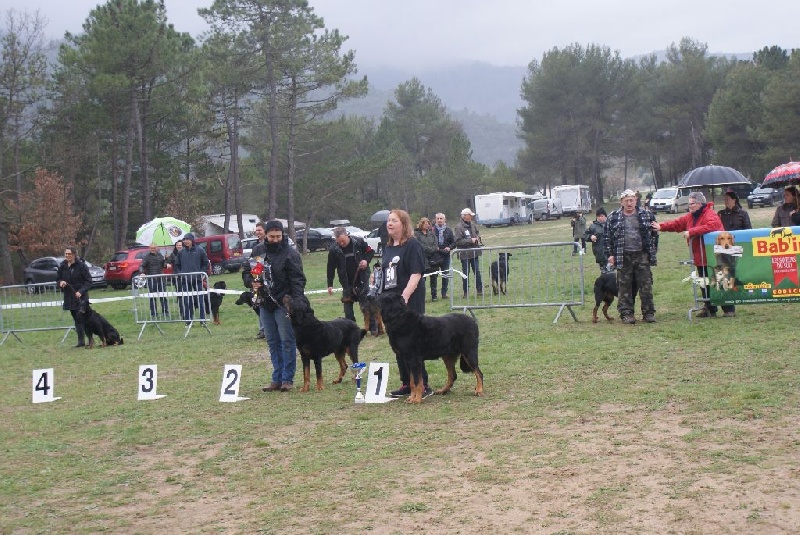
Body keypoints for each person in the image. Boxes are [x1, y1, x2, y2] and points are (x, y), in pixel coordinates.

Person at [243, 220, 306, 393]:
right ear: (266, 235)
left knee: (287, 340)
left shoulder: (290, 253)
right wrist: (251, 282)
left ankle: (287, 378)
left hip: (283, 302)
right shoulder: (258, 251)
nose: (276, 239)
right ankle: (276, 378)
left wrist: (297, 301)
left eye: (278, 236)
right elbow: (248, 272)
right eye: (272, 236)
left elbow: (298, 279)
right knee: (272, 340)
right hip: (264, 301)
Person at [380, 209, 432, 399]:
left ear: (403, 224)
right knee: (398, 344)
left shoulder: (412, 245)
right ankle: (406, 383)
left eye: (394, 220)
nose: (389, 223)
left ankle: (422, 384)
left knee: (413, 344)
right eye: (388, 221)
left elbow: (416, 274)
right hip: (390, 306)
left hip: (408, 301)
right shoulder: (388, 247)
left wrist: (404, 297)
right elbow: (385, 272)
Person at [653, 191, 724, 318]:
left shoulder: (710, 214)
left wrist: (691, 232)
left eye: (692, 203)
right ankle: (709, 308)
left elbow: (712, 226)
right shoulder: (690, 216)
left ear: (700, 203)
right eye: (689, 203)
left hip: (713, 256)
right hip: (700, 257)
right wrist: (661, 226)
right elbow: (677, 224)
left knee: (719, 281)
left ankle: (728, 308)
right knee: (703, 282)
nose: (689, 206)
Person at [604, 189, 659, 324]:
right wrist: (610, 255)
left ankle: (648, 313)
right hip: (623, 255)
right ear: (621, 202)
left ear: (636, 200)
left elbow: (654, 234)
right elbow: (606, 238)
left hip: (642, 255)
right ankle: (626, 313)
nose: (630, 203)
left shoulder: (646, 215)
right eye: (627, 200)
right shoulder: (613, 217)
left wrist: (652, 251)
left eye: (632, 200)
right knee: (624, 286)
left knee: (646, 285)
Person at [716, 189, 752, 317]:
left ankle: (738, 282)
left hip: (737, 246)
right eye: (724, 199)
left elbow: (748, 230)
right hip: (723, 247)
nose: (725, 201)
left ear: (734, 200)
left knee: (736, 267)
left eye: (727, 199)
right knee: (725, 269)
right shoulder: (720, 214)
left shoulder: (742, 213)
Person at [327, 226, 374, 321]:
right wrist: (330, 284)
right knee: (347, 310)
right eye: (339, 242)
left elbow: (371, 251)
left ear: (347, 235)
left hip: (361, 279)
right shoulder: (333, 250)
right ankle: (351, 329)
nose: (341, 243)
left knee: (366, 306)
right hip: (346, 283)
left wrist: (366, 261)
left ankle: (372, 328)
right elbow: (330, 267)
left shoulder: (359, 242)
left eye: (343, 241)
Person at [56, 246, 92, 348]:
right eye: (66, 254)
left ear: (74, 254)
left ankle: (90, 339)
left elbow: (89, 281)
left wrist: (81, 291)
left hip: (81, 298)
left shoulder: (81, 266)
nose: (67, 255)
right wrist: (60, 282)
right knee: (76, 319)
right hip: (69, 296)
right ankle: (81, 341)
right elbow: (58, 279)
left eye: (69, 254)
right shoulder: (62, 266)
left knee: (84, 319)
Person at [173, 233, 209, 323]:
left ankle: (202, 320)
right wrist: (180, 273)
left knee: (200, 301)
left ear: (192, 240)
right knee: (187, 301)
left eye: (187, 239)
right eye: (184, 239)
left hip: (197, 280)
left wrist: (201, 273)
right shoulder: (181, 252)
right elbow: (176, 265)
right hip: (185, 280)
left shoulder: (200, 250)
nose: (186, 241)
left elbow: (205, 263)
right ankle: (188, 320)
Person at [454, 207, 483, 297]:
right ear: (465, 216)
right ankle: (466, 292)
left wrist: (478, 238)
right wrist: (471, 240)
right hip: (465, 254)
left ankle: (480, 290)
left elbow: (477, 233)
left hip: (474, 253)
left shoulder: (473, 225)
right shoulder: (459, 227)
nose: (471, 216)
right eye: (470, 215)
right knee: (465, 273)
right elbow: (458, 241)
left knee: (477, 272)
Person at [140, 242, 168, 319]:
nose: (153, 249)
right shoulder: (147, 257)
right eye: (151, 248)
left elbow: (164, 265)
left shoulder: (160, 255)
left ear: (157, 248)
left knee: (163, 296)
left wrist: (166, 260)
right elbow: (142, 265)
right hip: (151, 279)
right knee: (152, 297)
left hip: (161, 279)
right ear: (150, 248)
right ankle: (153, 313)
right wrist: (142, 272)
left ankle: (165, 312)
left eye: (154, 248)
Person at [414, 217, 439, 302]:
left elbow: (436, 243)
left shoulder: (432, 233)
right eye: (425, 223)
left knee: (434, 278)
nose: (427, 225)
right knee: (422, 280)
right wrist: (430, 249)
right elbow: (420, 245)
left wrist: (434, 249)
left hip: (432, 259)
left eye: (428, 223)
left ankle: (434, 296)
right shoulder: (416, 234)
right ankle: (422, 297)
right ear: (421, 224)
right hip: (422, 258)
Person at [249, 222, 267, 339]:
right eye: (256, 230)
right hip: (257, 280)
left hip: (268, 280)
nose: (257, 232)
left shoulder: (267, 245)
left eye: (260, 230)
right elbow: (252, 263)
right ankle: (262, 329)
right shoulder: (256, 247)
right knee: (258, 303)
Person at [431, 212, 455, 300]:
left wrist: (449, 247)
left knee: (445, 274)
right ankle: (434, 295)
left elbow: (454, 242)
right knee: (434, 275)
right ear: (435, 220)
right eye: (438, 219)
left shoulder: (449, 230)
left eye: (441, 218)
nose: (439, 220)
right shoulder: (432, 230)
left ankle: (444, 293)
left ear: (445, 220)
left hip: (445, 255)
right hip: (435, 255)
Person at [584, 207, 608, 271]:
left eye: (603, 216)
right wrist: (591, 236)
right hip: (600, 253)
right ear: (597, 217)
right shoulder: (593, 227)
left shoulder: (609, 224)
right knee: (605, 273)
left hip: (610, 253)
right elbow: (585, 235)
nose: (602, 218)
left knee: (612, 274)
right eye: (600, 216)